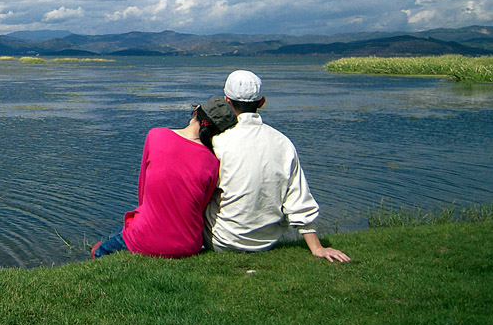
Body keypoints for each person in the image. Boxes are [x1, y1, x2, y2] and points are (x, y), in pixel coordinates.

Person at [204, 70, 350, 262]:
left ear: (226, 102)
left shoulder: (218, 142)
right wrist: (317, 247)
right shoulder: (283, 143)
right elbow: (298, 197)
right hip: (266, 242)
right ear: (261, 102)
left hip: (222, 241)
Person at [92, 97, 237, 260]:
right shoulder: (212, 162)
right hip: (189, 245)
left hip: (146, 238)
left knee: (100, 250)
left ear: (196, 112)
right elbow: (201, 207)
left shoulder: (156, 136)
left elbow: (143, 193)